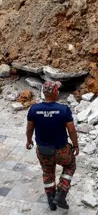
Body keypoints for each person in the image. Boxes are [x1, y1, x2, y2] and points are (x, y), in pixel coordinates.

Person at [26, 81, 79, 210]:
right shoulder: (63, 110)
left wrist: (29, 141)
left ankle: (51, 200)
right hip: (62, 150)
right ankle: (61, 193)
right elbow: (71, 130)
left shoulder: (34, 109)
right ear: (55, 93)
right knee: (70, 166)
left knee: (48, 172)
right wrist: (76, 145)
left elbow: (29, 128)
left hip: (43, 151)